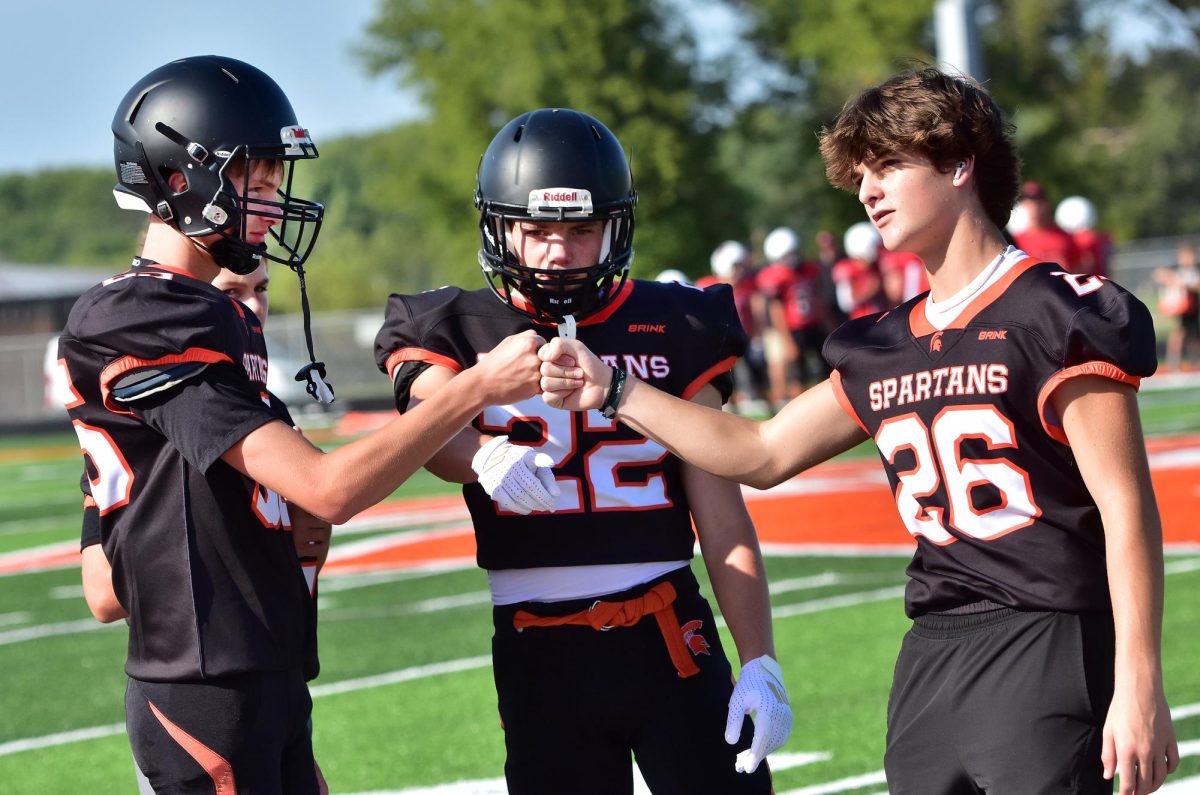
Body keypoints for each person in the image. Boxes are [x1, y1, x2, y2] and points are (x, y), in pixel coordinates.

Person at [540, 67, 1179, 795]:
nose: (868, 189)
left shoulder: (1056, 311)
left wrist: (1140, 681)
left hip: (1047, 637)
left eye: (889, 165)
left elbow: (1128, 510)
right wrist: (615, 389)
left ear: (961, 162)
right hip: (932, 653)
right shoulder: (882, 343)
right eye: (861, 172)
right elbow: (761, 451)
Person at [55, 55, 544, 794]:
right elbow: (330, 487)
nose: (271, 206)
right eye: (253, 184)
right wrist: (475, 386)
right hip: (207, 682)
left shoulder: (208, 313)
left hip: (260, 667)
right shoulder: (145, 314)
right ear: (179, 179)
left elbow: (111, 581)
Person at [374, 107, 791, 794]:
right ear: (500, 226)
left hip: (670, 628)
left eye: (580, 230)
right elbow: (431, 428)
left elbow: (722, 514)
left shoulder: (677, 323)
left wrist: (759, 658)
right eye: (537, 231)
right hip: (539, 641)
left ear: (615, 228)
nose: (557, 251)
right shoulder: (450, 324)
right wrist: (482, 452)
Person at [78, 260, 333, 794]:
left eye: (260, 289)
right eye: (231, 291)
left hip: (273, 682)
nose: (251, 307)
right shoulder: (167, 402)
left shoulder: (267, 409)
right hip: (203, 685)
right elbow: (103, 593)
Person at [701, 240, 773, 412]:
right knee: (722, 379)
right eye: (736, 265)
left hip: (743, 337)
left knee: (757, 375)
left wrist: (758, 338)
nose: (740, 270)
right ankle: (729, 410)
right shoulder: (707, 285)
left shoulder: (748, 286)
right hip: (719, 340)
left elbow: (757, 314)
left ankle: (767, 406)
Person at [756, 226, 830, 393]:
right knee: (799, 374)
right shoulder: (776, 275)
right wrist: (788, 340)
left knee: (827, 366)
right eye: (786, 254)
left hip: (814, 325)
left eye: (793, 252)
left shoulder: (810, 269)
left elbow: (819, 299)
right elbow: (777, 310)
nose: (792, 258)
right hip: (794, 328)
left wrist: (826, 322)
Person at [1012, 180, 1082, 271]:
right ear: (1025, 205)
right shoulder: (1017, 240)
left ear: (1047, 204)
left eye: (1039, 203)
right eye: (1031, 204)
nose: (1035, 208)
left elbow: (1077, 269)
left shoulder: (1065, 238)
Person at [1152, 242, 1200, 372]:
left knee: (1194, 338)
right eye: (1183, 257)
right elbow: (1159, 275)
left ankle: (1195, 363)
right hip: (1181, 310)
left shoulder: (1194, 273)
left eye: (1189, 257)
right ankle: (1173, 364)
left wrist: (1184, 283)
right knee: (1177, 335)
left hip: (1193, 310)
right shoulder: (1178, 272)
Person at [833, 221, 887, 318]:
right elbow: (846, 303)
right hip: (864, 323)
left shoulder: (877, 266)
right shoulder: (846, 269)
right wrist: (870, 290)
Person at [1056, 195, 1113, 278]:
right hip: (1102, 284)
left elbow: (1086, 266)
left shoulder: (1085, 239)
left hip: (1089, 285)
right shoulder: (1101, 238)